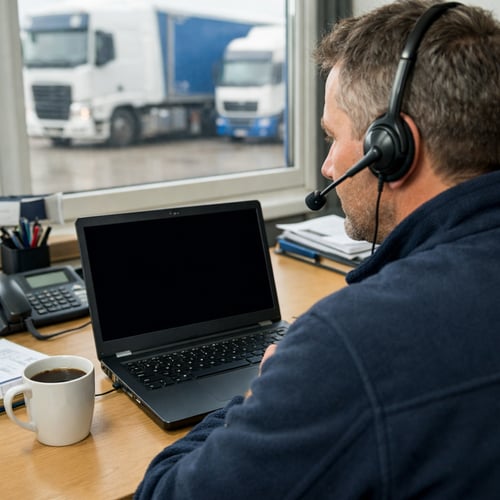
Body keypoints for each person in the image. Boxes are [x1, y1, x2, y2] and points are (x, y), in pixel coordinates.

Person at [135, 1, 500, 497]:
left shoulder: (352, 345)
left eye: (333, 137)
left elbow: (166, 492)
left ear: (392, 149)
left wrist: (266, 391)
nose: (329, 167)